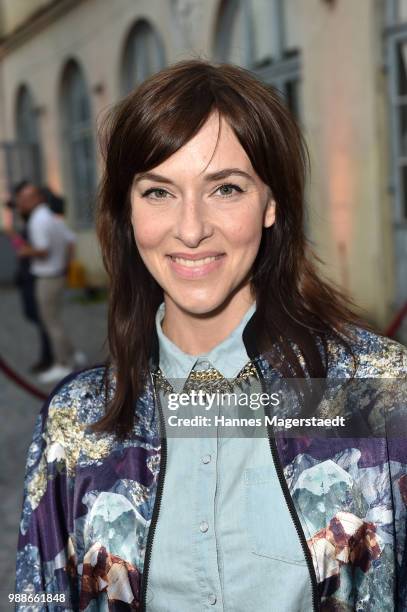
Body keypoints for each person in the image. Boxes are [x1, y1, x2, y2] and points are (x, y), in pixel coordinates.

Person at [15, 60, 407, 611]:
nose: (192, 228)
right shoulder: (74, 420)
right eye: (158, 192)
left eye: (225, 188)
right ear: (127, 212)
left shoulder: (378, 390)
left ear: (272, 204)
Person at [15, 182, 78, 383]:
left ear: (38, 198)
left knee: (51, 322)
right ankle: (71, 354)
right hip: (56, 274)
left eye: (27, 197)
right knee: (53, 320)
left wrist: (25, 251)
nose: (22, 202)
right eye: (21, 198)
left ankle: (64, 364)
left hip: (47, 277)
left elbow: (43, 250)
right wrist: (66, 266)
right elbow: (70, 241)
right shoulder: (50, 216)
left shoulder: (38, 220)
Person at [3, 185, 54, 372]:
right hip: (30, 274)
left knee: (42, 318)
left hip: (34, 275)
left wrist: (14, 238)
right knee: (37, 316)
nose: (20, 203)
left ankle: (51, 357)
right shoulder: (34, 217)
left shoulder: (38, 219)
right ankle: (53, 356)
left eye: (23, 199)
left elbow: (31, 249)